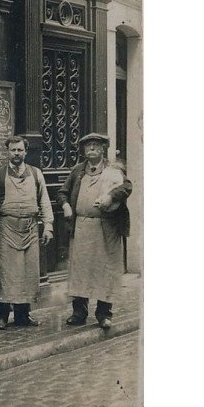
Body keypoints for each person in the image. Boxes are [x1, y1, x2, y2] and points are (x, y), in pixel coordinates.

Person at [57, 132, 132, 329]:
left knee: (104, 270)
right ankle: (79, 313)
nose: (91, 149)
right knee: (80, 271)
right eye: (87, 146)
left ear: (103, 149)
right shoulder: (78, 170)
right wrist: (65, 204)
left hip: (105, 228)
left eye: (95, 146)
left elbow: (126, 187)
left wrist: (111, 197)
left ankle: (104, 314)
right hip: (81, 228)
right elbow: (62, 192)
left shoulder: (113, 170)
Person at [0, 136, 54, 330]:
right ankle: (1, 316)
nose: (16, 153)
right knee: (5, 273)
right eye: (13, 150)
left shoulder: (36, 174)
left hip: (30, 228)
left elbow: (45, 201)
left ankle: (22, 316)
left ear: (25, 152)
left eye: (19, 150)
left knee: (27, 272)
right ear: (7, 152)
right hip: (6, 228)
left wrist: (48, 226)